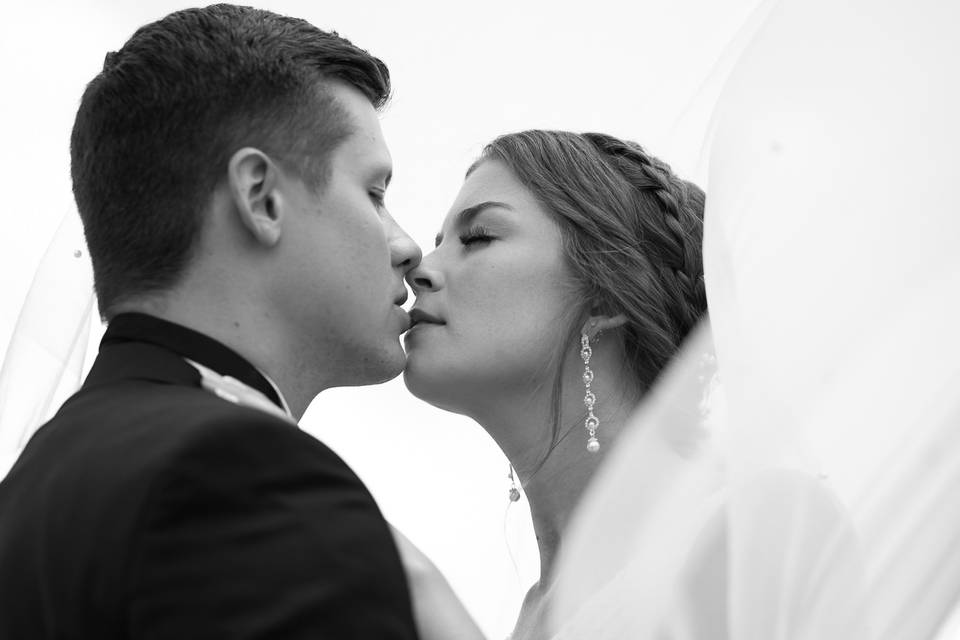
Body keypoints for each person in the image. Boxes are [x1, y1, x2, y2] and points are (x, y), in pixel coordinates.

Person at [0, 5, 439, 638]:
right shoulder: (238, 478)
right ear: (261, 197)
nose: (408, 247)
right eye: (373, 192)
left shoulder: (37, 481)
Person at [403, 129, 709, 638]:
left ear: (606, 298)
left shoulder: (742, 532)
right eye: (438, 244)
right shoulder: (533, 613)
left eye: (477, 238)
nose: (421, 268)